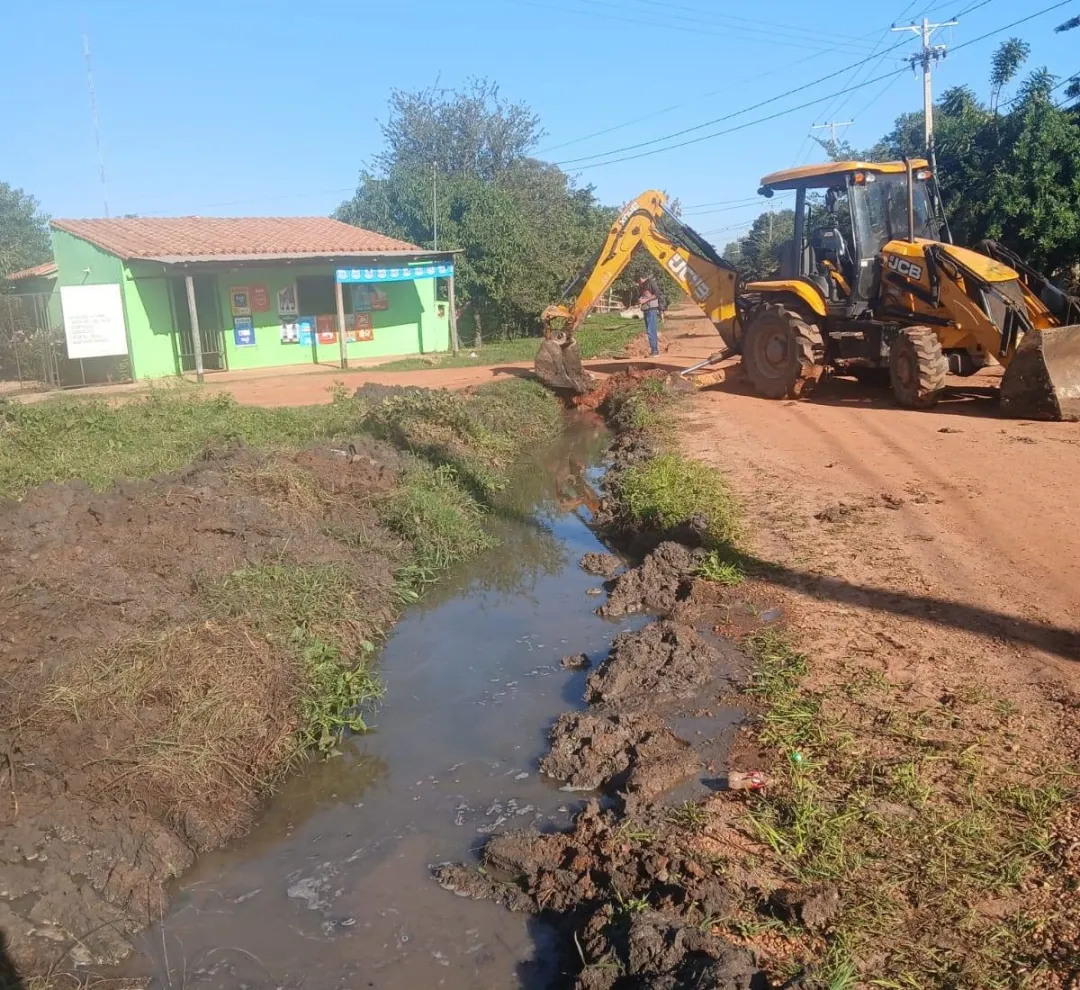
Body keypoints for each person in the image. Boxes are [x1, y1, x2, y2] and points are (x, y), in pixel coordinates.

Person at [637, 275, 661, 356]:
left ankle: (655, 351)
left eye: (638, 281)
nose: (638, 283)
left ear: (641, 278)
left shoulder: (651, 283)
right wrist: (640, 300)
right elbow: (641, 297)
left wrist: (646, 300)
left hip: (651, 309)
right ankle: (653, 350)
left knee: (651, 330)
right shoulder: (642, 286)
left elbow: (657, 294)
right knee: (649, 330)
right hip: (645, 309)